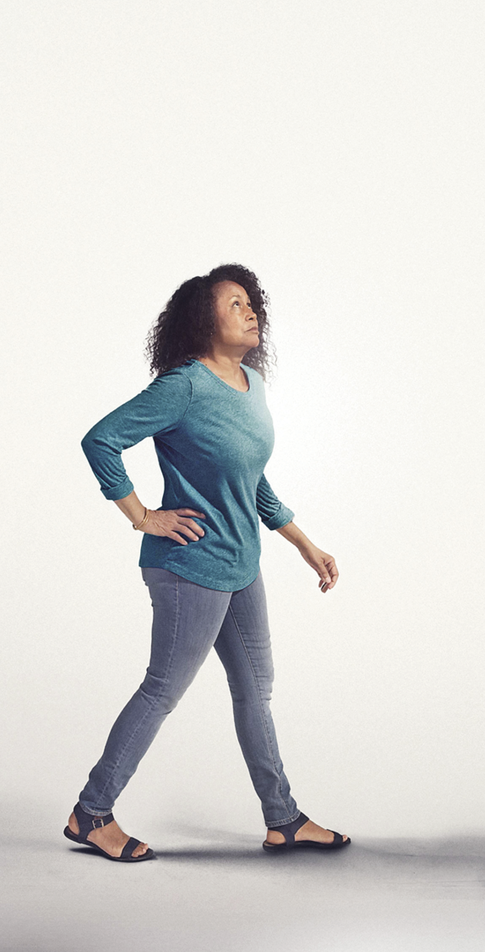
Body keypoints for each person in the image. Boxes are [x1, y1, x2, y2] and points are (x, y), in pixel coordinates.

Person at [64, 263, 349, 863]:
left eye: (253, 304)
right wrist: (143, 515)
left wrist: (304, 543)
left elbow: (250, 481)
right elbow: (101, 440)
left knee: (255, 693)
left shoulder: (250, 383)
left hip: (242, 563)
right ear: (203, 319)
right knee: (162, 690)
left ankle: (283, 819)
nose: (252, 312)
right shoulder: (185, 385)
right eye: (236, 303)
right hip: (187, 566)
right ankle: (91, 814)